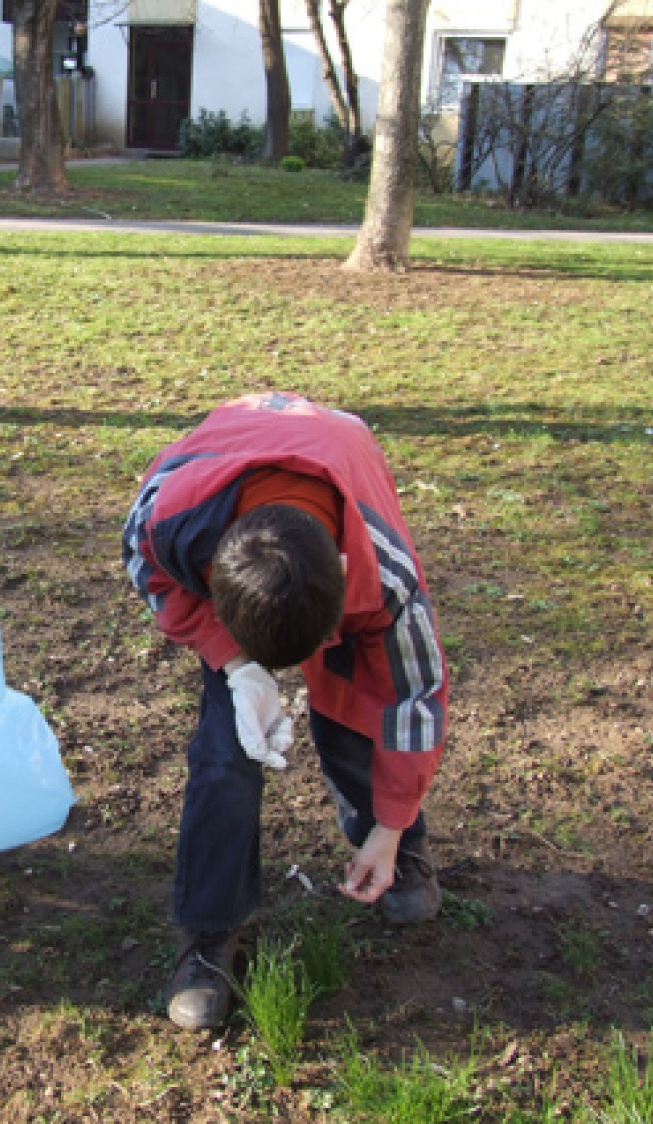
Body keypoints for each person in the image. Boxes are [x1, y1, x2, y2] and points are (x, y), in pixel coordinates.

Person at [122, 391, 447, 1031]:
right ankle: (209, 933)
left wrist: (392, 822)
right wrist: (235, 664)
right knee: (226, 750)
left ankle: (396, 850)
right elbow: (145, 570)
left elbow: (412, 698)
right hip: (231, 473)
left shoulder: (384, 575)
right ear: (215, 579)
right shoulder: (171, 524)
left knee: (354, 711)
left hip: (338, 457)